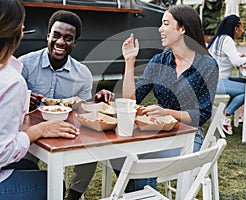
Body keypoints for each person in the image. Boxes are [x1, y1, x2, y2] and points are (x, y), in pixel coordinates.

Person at [111, 4, 219, 192]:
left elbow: (202, 115)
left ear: (182, 28)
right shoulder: (159, 61)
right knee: (118, 154)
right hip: (158, 132)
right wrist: (129, 62)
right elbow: (131, 100)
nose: (160, 29)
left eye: (166, 24)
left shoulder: (207, 64)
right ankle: (144, 194)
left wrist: (168, 112)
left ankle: (142, 194)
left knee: (138, 163)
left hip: (189, 137)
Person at [18, 10, 114, 199]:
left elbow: (83, 109)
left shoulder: (83, 74)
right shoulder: (25, 64)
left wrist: (97, 102)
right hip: (30, 133)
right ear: (48, 36)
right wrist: (24, 100)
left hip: (66, 131)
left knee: (92, 147)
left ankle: (74, 196)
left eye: (68, 38)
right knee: (24, 163)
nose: (61, 42)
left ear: (75, 42)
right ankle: (31, 189)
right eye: (56, 35)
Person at [0, 1, 79, 199]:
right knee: (53, 184)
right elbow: (3, 152)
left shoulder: (82, 73)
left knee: (28, 165)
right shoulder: (11, 79)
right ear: (19, 33)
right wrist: (38, 130)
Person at [207, 14, 246, 135]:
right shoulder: (227, 40)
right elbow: (236, 62)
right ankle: (225, 114)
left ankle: (225, 113)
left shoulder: (219, 38)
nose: (242, 31)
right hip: (217, 82)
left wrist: (241, 56)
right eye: (241, 27)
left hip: (211, 80)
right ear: (235, 28)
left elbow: (232, 56)